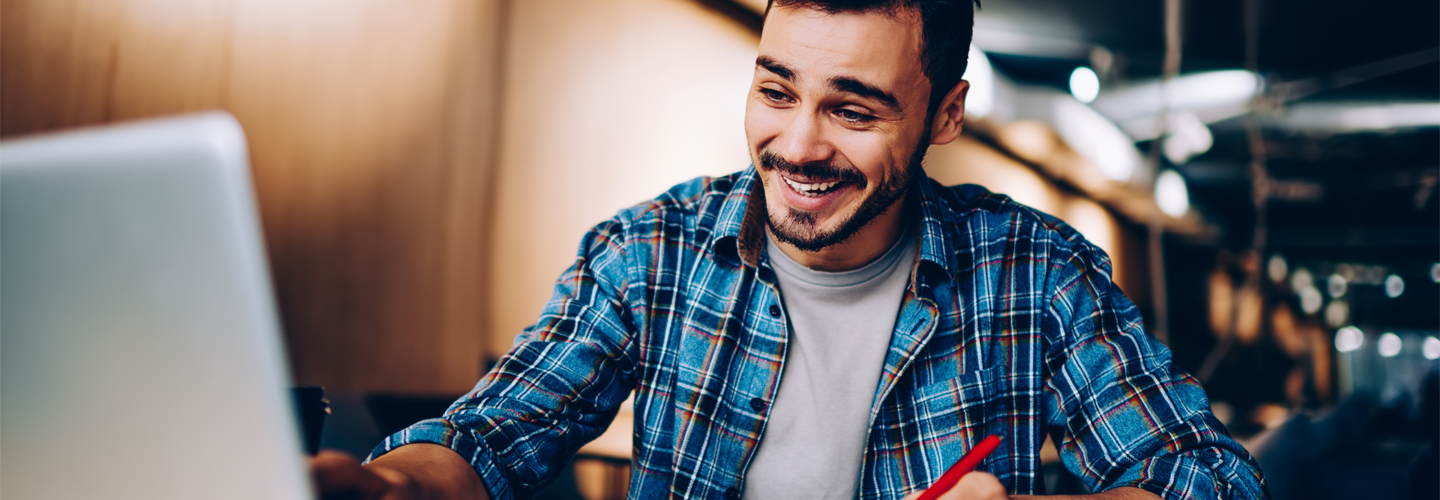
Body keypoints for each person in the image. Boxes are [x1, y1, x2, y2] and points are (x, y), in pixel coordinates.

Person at [312, 1, 1269, 499]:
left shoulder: (1039, 274)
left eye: (853, 109)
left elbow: (1213, 482)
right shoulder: (652, 252)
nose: (800, 145)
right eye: (777, 92)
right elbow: (490, 440)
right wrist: (387, 488)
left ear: (945, 115)